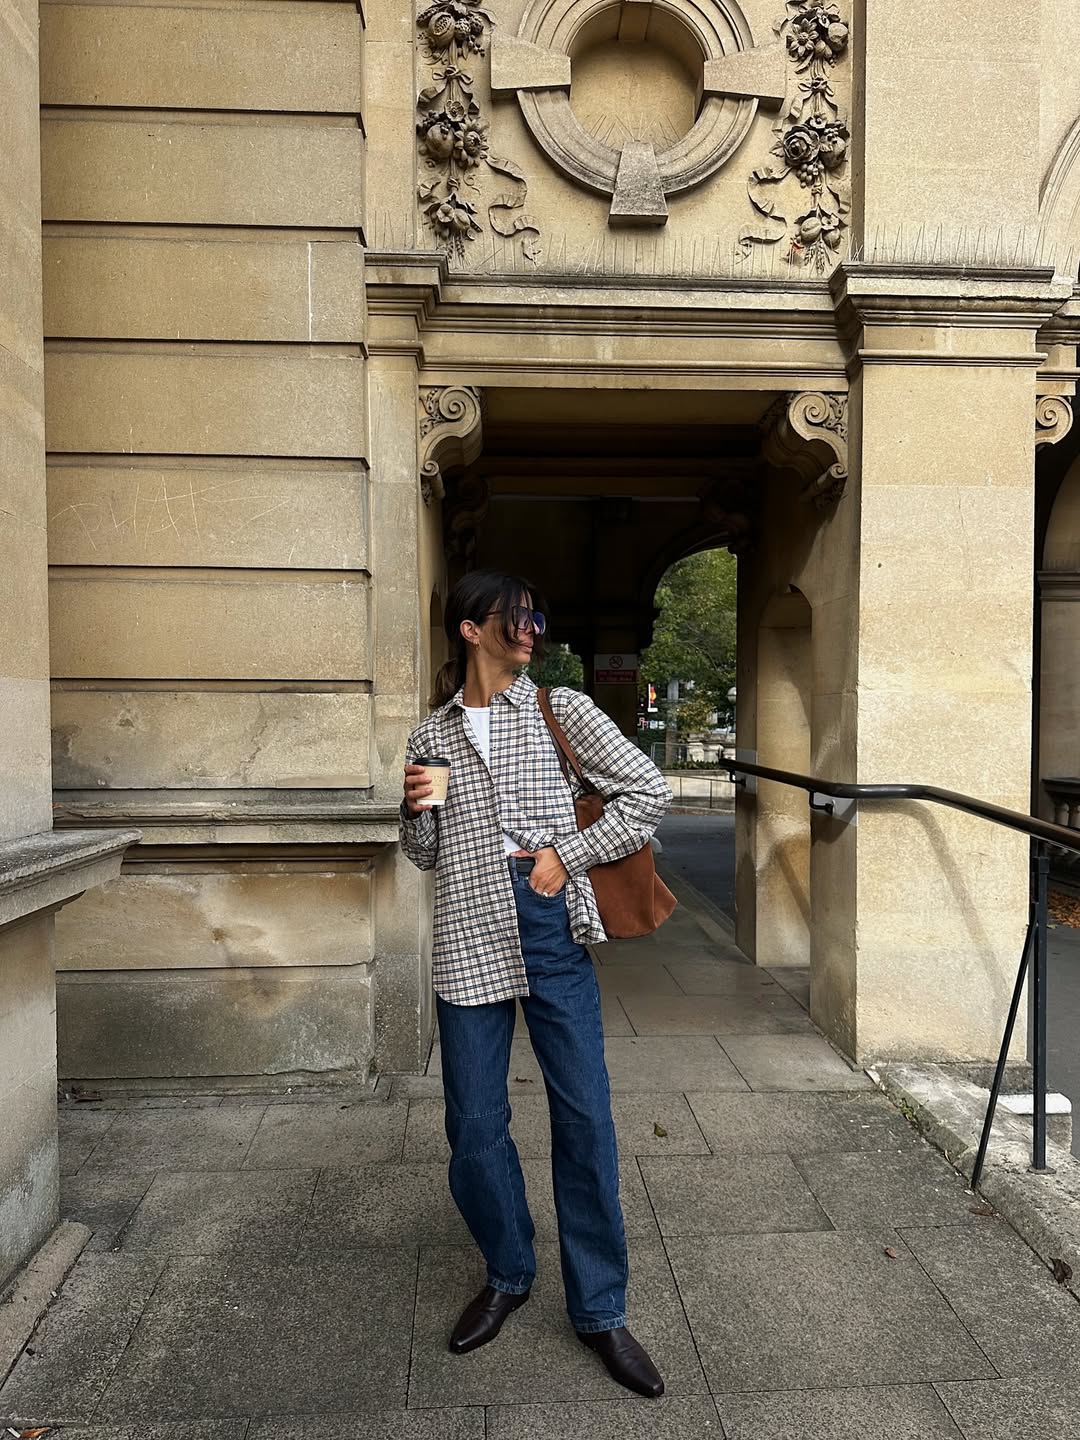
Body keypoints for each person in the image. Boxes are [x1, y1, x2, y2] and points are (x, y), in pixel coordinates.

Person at [399, 570, 672, 1397]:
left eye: (535, 620)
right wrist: (416, 813)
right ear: (470, 630)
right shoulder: (429, 735)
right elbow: (422, 857)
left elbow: (647, 791)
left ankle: (601, 1310)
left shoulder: (563, 709)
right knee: (473, 1129)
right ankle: (509, 1272)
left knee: (584, 1117)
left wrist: (566, 855)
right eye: (514, 620)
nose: (529, 632)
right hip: (466, 935)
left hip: (549, 926)